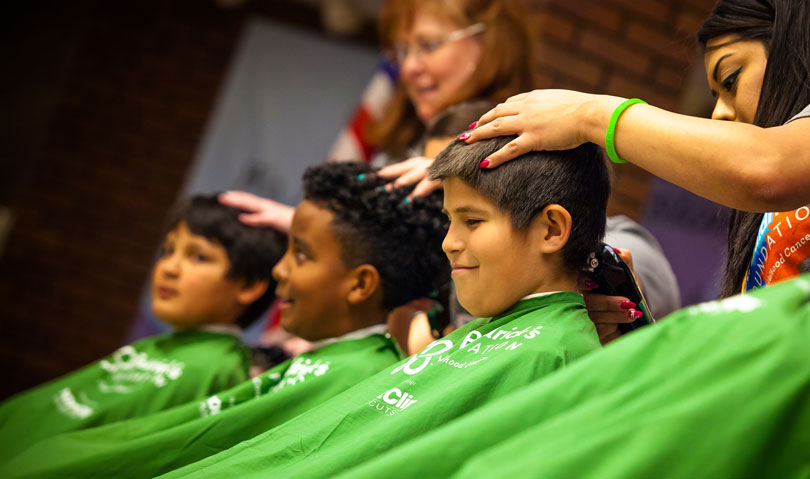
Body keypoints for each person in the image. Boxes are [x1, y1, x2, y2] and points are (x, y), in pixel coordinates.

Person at [155, 135, 608, 478]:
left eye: (471, 221)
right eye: (450, 221)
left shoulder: (559, 355)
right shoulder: (487, 334)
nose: (450, 243)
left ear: (551, 230)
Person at [0, 163, 449, 478]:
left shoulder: (360, 374)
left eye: (301, 255)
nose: (279, 270)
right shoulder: (347, 362)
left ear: (360, 284)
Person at [463, 0, 810, 302]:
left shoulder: (775, 171)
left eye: (730, 79)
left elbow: (768, 167)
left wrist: (589, 116)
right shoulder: (767, 211)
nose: (718, 112)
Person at [0, 195, 285, 463]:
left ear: (248, 285)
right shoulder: (155, 348)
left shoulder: (218, 371)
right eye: (168, 250)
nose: (169, 268)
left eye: (198, 257)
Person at [218, 0, 535, 232]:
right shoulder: (401, 141)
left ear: (488, 45)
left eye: (428, 44)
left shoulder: (520, 146)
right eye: (403, 50)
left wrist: (460, 178)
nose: (409, 67)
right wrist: (299, 224)